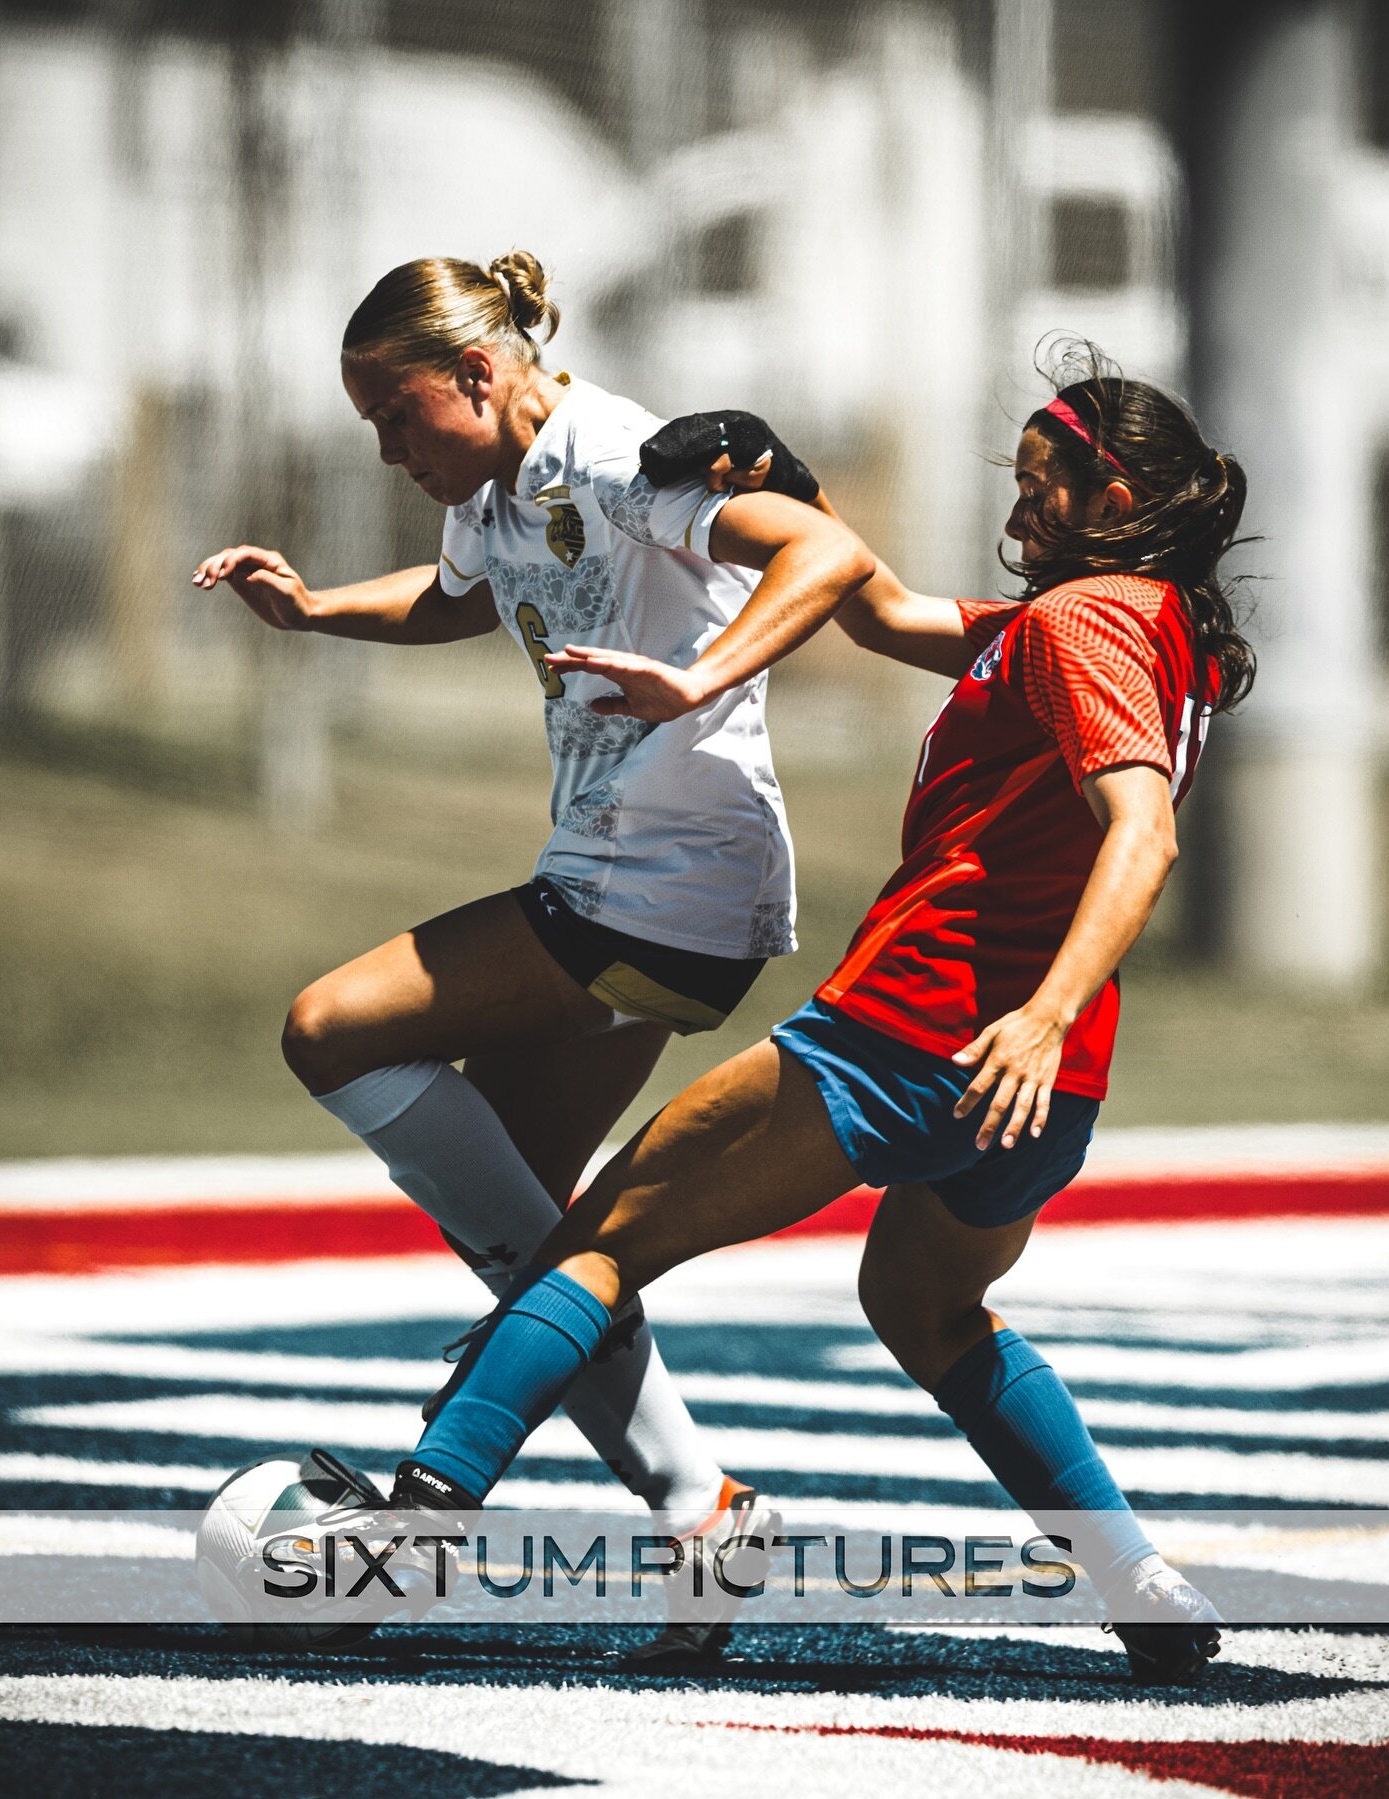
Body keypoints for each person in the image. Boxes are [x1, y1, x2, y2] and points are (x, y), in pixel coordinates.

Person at [392, 346, 1255, 1684]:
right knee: (925, 1303)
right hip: (1042, 1090)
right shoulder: (1131, 625)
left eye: (1042, 490)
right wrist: (797, 492)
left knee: (604, 1237)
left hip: (932, 1027)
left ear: (1119, 495)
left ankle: (410, 1524)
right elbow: (884, 613)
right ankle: (1136, 1579)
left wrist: (1037, 1010)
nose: (1017, 513)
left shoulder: (1083, 626)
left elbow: (1138, 835)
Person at [191, 252, 876, 1656]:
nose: (383, 447)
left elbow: (825, 550)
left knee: (327, 1027)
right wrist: (316, 609)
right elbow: (462, 600)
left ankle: (445, 1504)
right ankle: (706, 1515)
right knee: (539, 1250)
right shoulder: (503, 493)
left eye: (395, 414)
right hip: (650, 896)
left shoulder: (616, 454)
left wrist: (705, 670)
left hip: (660, 888)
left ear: (482, 375)